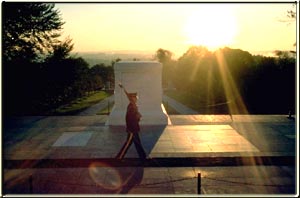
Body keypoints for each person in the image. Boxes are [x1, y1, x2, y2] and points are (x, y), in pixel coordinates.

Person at [116, 83, 147, 160]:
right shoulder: (132, 107)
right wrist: (137, 117)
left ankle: (143, 157)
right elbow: (129, 119)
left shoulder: (133, 105)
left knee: (137, 143)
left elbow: (133, 118)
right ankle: (119, 157)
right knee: (129, 144)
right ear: (132, 99)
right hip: (132, 129)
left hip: (134, 128)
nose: (136, 98)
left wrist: (138, 116)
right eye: (135, 98)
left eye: (136, 97)